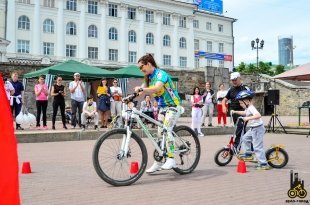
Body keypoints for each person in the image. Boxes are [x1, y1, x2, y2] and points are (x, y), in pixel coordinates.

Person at [135, 54, 182, 173]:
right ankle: (159, 161)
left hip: (173, 106)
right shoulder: (148, 77)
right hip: (162, 108)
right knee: (160, 135)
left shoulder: (161, 74)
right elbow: (141, 89)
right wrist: (131, 95)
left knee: (167, 130)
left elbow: (156, 88)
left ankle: (171, 159)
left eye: (141, 67)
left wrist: (142, 90)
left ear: (149, 64)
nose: (141, 70)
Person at [231, 90, 270, 170]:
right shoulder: (249, 108)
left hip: (258, 128)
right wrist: (235, 112)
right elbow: (245, 113)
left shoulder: (252, 108)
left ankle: (263, 163)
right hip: (253, 128)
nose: (240, 104)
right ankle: (248, 154)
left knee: (257, 146)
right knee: (245, 138)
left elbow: (258, 115)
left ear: (246, 101)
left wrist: (247, 118)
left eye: (241, 103)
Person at [222, 72, 251, 149]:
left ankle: (236, 147)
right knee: (242, 131)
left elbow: (251, 100)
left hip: (243, 112)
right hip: (234, 113)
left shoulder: (245, 89)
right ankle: (251, 147)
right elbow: (224, 99)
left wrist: (249, 111)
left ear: (239, 78)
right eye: (232, 80)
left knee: (239, 129)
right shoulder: (231, 89)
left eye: (235, 80)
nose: (234, 81)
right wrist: (223, 107)